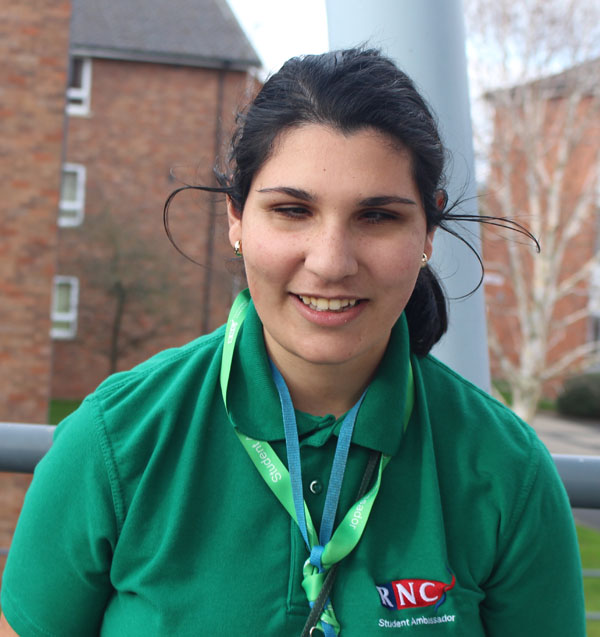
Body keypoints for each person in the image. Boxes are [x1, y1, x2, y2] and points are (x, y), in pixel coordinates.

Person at [0, 48, 585, 636]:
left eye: (377, 217)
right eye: (292, 210)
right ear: (235, 216)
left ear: (428, 230)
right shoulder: (116, 441)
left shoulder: (508, 473)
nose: (331, 263)